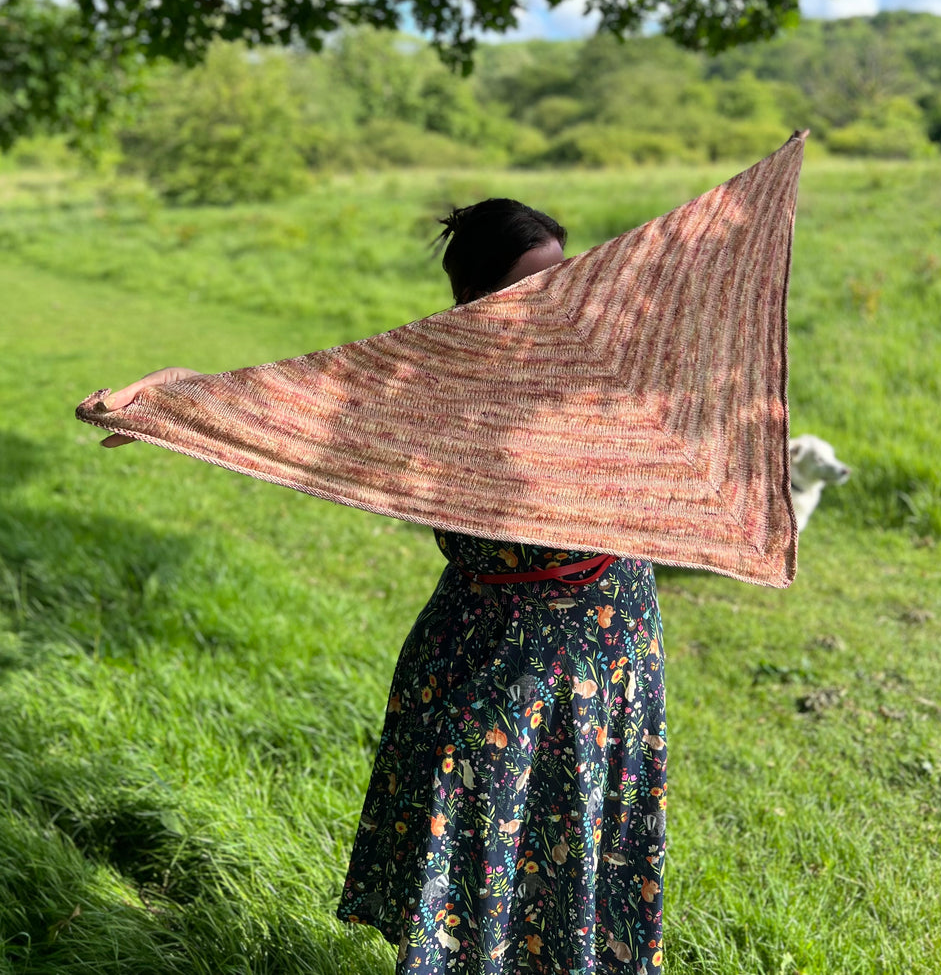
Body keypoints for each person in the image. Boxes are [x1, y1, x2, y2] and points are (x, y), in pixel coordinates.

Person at [98, 198, 667, 973]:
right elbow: (315, 406)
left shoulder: (606, 366)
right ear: (478, 301)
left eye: (563, 278)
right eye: (531, 285)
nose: (552, 300)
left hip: (610, 640)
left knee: (584, 839)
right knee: (482, 841)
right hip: (491, 647)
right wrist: (181, 393)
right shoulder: (438, 383)